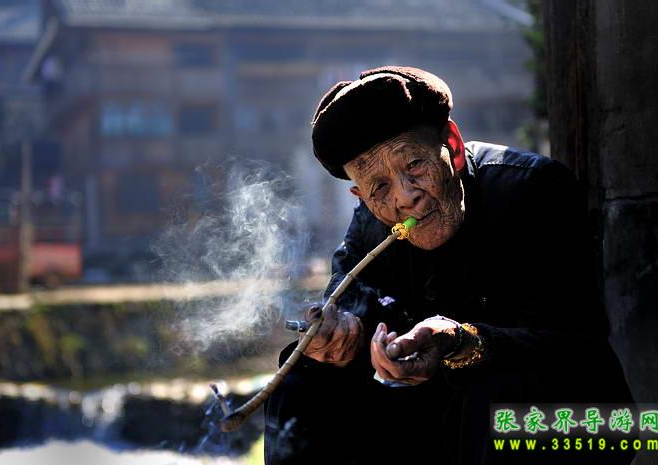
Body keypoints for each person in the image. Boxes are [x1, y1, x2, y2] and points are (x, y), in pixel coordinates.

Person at [264, 66, 635, 465]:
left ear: (453, 147)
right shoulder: (370, 229)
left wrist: (463, 342)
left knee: (496, 389)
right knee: (304, 376)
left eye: (414, 165)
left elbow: (575, 348)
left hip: (580, 422)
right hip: (446, 426)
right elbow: (353, 313)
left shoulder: (532, 190)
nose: (405, 198)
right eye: (380, 187)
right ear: (362, 196)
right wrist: (341, 341)